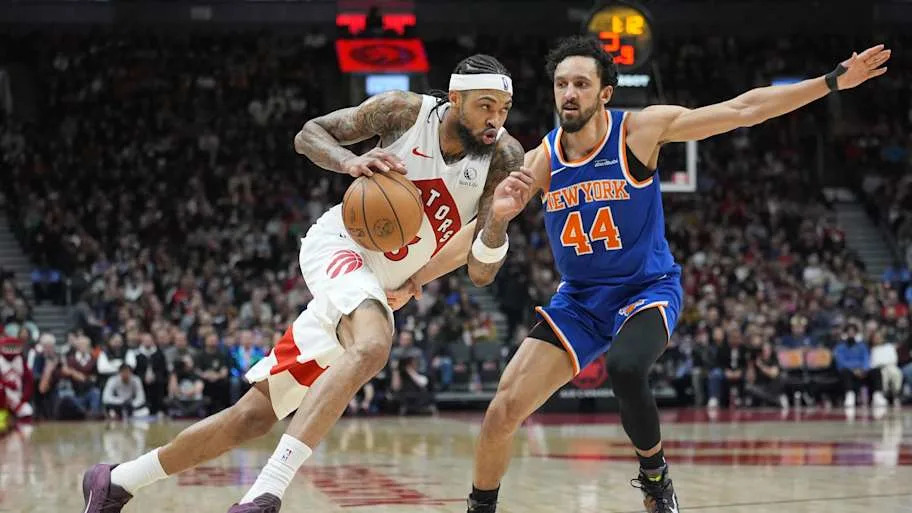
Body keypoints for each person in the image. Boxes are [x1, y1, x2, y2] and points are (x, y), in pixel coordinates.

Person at [389, 36, 891, 513]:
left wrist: (830, 82)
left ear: (605, 93)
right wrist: (418, 278)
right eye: (562, 83)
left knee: (627, 367)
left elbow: (742, 111)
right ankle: (481, 507)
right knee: (502, 410)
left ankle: (655, 481)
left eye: (581, 84)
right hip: (580, 301)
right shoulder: (539, 160)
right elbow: (480, 227)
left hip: (646, 290)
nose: (569, 93)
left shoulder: (639, 131)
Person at [81, 54, 534, 513]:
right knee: (375, 344)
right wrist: (348, 162)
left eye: (504, 108)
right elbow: (308, 134)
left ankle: (115, 481)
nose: (495, 119)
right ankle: (265, 493)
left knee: (251, 417)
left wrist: (494, 224)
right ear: (455, 98)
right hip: (339, 247)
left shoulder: (503, 156)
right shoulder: (404, 112)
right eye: (484, 106)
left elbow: (480, 270)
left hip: (378, 288)